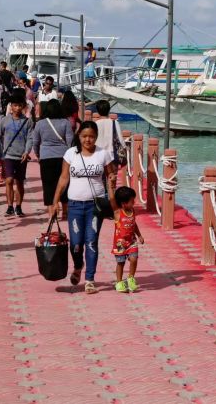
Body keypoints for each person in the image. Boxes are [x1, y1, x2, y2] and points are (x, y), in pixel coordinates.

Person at [50, 120, 116, 293]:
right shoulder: (70, 154)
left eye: (92, 137)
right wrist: (55, 201)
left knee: (91, 242)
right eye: (85, 136)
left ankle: (89, 280)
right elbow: (63, 179)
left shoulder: (103, 154)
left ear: (96, 137)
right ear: (79, 136)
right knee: (76, 244)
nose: (88, 140)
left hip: (96, 206)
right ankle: (78, 266)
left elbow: (111, 179)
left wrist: (114, 205)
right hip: (75, 205)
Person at [26, 99, 73, 218]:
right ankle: (65, 211)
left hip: (46, 157)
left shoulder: (40, 123)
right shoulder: (65, 122)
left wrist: (38, 154)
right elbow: (70, 141)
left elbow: (35, 141)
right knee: (64, 183)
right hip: (63, 157)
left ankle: (52, 211)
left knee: (48, 185)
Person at [0, 93, 31, 217]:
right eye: (15, 105)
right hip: (8, 156)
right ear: (11, 106)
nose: (17, 108)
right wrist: (0, 152)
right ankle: (10, 206)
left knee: (20, 182)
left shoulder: (27, 122)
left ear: (23, 107)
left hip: (21, 156)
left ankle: (19, 206)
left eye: (19, 106)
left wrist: (27, 151)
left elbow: (30, 138)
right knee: (9, 180)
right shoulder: (4, 120)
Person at [108, 184, 144, 293]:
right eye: (132, 201)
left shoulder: (132, 211)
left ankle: (131, 278)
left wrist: (139, 235)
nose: (134, 203)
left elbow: (134, 224)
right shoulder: (118, 212)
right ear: (123, 204)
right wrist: (110, 185)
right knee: (121, 263)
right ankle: (119, 282)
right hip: (120, 244)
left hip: (131, 241)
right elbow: (112, 199)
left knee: (134, 259)